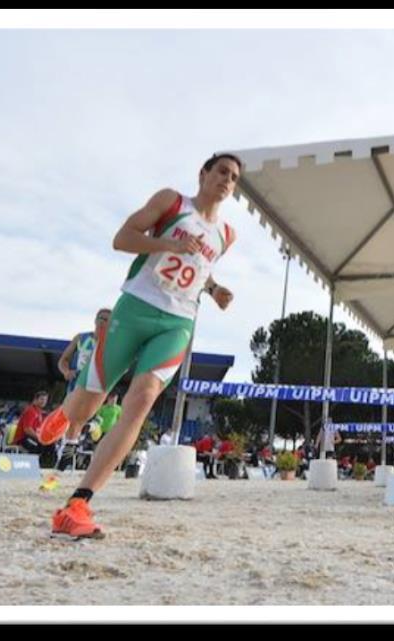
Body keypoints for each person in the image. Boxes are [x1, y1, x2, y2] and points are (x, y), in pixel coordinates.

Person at [37, 153, 241, 538]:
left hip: (178, 323)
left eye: (233, 178)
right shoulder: (172, 202)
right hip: (135, 309)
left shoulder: (227, 235)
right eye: (221, 172)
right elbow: (122, 238)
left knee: (143, 398)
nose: (227, 181)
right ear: (203, 174)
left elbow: (202, 268)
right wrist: (169, 244)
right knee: (87, 405)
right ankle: (67, 411)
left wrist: (214, 290)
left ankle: (78, 505)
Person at [12, 390, 58, 467]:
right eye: (42, 399)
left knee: (50, 444)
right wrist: (40, 438)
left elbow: (40, 430)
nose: (44, 402)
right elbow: (27, 430)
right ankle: (36, 466)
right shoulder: (31, 411)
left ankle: (46, 467)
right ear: (35, 400)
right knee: (40, 445)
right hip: (22, 439)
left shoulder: (39, 412)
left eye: (45, 400)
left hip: (31, 438)